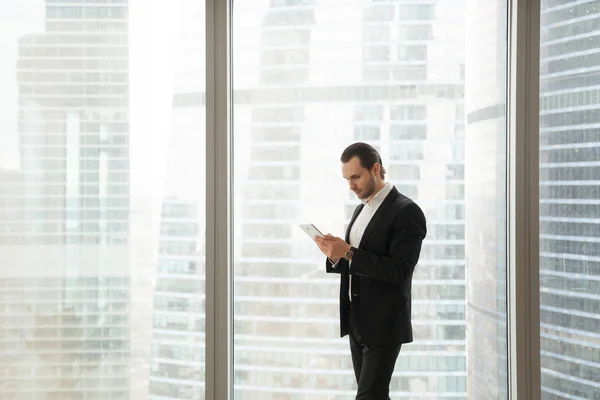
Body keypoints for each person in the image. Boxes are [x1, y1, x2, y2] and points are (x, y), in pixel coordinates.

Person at [314, 142, 427, 400]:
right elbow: (355, 262)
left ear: (376, 169)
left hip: (384, 324)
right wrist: (335, 255)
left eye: (356, 177)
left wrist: (349, 252)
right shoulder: (360, 208)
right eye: (346, 179)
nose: (351, 185)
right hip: (357, 321)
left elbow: (399, 270)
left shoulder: (406, 211)